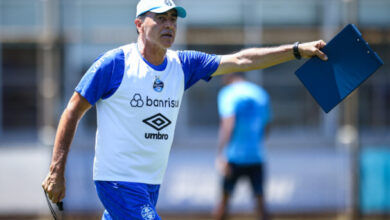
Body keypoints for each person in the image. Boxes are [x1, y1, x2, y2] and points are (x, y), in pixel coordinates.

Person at [42, 0, 328, 219]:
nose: (169, 25)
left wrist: (296, 50)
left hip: (151, 183)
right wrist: (56, 171)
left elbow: (241, 60)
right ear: (139, 24)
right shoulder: (115, 63)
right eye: (161, 18)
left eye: (173, 19)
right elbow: (72, 110)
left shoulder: (183, 64)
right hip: (117, 182)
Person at [215, 73, 271, 220]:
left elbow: (228, 124)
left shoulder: (228, 93)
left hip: (233, 156)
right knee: (261, 203)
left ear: (229, 76)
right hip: (256, 155)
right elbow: (267, 125)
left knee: (224, 202)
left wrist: (221, 153)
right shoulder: (260, 93)